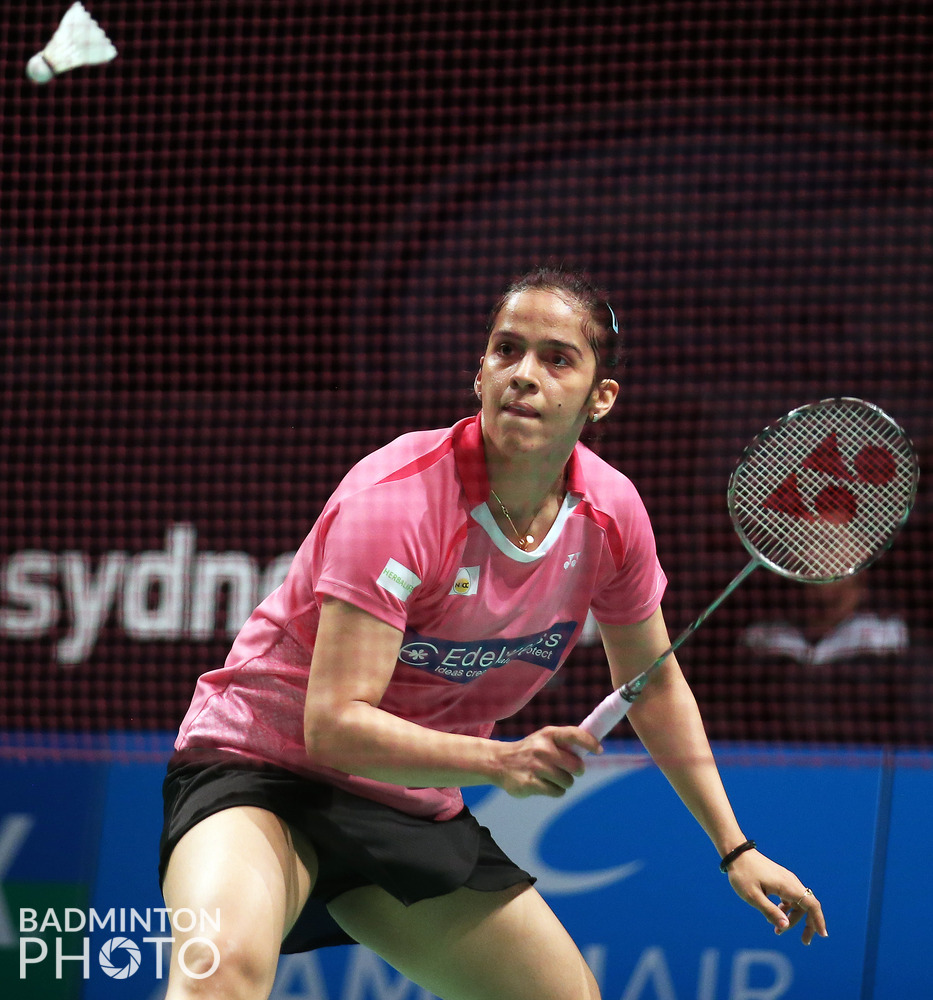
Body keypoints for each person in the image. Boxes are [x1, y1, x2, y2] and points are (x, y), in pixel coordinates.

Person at [159, 265, 827, 1000]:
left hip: (404, 800)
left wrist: (735, 848)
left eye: (557, 358)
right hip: (264, 769)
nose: (524, 374)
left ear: (600, 398)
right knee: (218, 970)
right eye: (507, 350)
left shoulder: (609, 515)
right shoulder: (398, 502)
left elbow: (653, 685)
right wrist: (501, 762)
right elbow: (334, 727)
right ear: (479, 372)